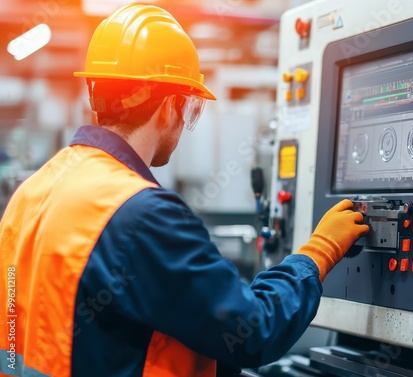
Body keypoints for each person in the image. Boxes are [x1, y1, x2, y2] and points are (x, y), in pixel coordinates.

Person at [0, 4, 369, 377]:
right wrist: (319, 251)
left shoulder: (34, 191)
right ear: (169, 107)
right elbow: (254, 330)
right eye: (189, 108)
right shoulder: (139, 213)